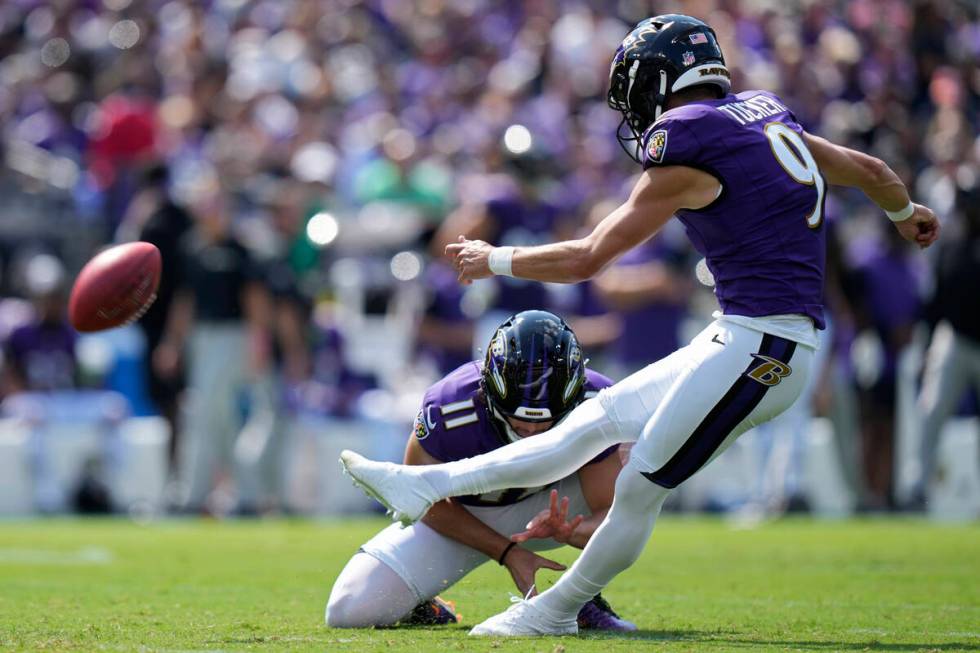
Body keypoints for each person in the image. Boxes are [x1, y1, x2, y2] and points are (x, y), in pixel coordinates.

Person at [340, 14, 940, 636]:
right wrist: (905, 213)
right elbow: (869, 171)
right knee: (585, 427)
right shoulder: (762, 116)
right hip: (740, 333)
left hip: (768, 347)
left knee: (639, 484)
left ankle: (553, 612)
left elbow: (589, 257)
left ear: (659, 80)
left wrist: (493, 259)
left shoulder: (689, 144)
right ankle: (422, 484)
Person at [327, 310, 634, 631]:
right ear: (489, 391)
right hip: (463, 515)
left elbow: (616, 519)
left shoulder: (597, 403)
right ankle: (421, 604)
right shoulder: (449, 407)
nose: (530, 430)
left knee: (638, 469)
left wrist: (571, 530)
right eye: (519, 420)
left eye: (544, 422)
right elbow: (418, 497)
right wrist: (506, 552)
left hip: (554, 506)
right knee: (348, 610)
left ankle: (575, 598)